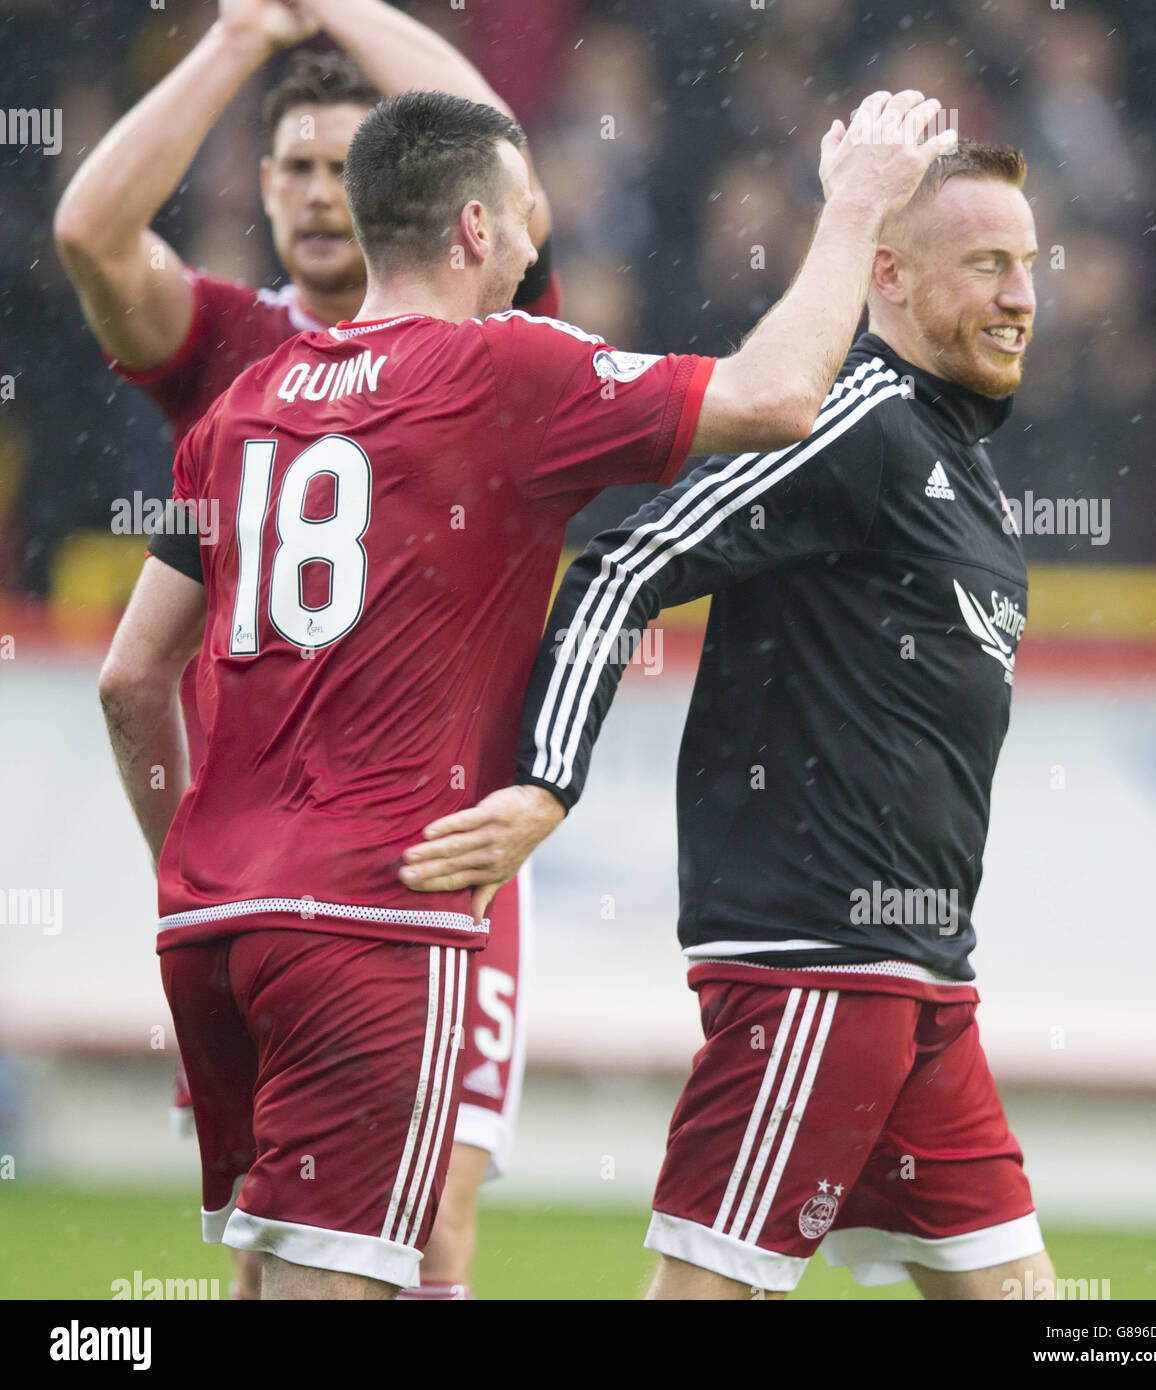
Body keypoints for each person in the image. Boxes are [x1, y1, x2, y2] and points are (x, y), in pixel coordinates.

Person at [97, 86, 955, 1299]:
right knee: (340, 1283)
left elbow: (133, 680)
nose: (534, 246)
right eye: (523, 220)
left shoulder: (243, 403)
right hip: (375, 916)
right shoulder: (505, 368)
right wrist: (856, 200)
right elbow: (774, 398)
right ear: (469, 231)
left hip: (214, 926)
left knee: (267, 1270)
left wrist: (189, 865)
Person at [402, 138, 1052, 1301]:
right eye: (987, 264)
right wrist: (547, 777)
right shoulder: (856, 423)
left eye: (1030, 264)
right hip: (819, 971)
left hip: (925, 988)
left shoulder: (960, 458)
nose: (1021, 295)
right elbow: (623, 562)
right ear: (888, 275)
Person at [53, 0, 558, 1300]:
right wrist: (236, 41)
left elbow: (489, 145)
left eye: (348, 165)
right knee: (286, 1245)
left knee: (419, 1223)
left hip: (436, 859)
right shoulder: (225, 346)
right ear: (258, 185)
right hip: (267, 869)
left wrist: (332, 8)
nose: (320, 193)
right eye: (293, 166)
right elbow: (90, 232)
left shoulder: (484, 331)